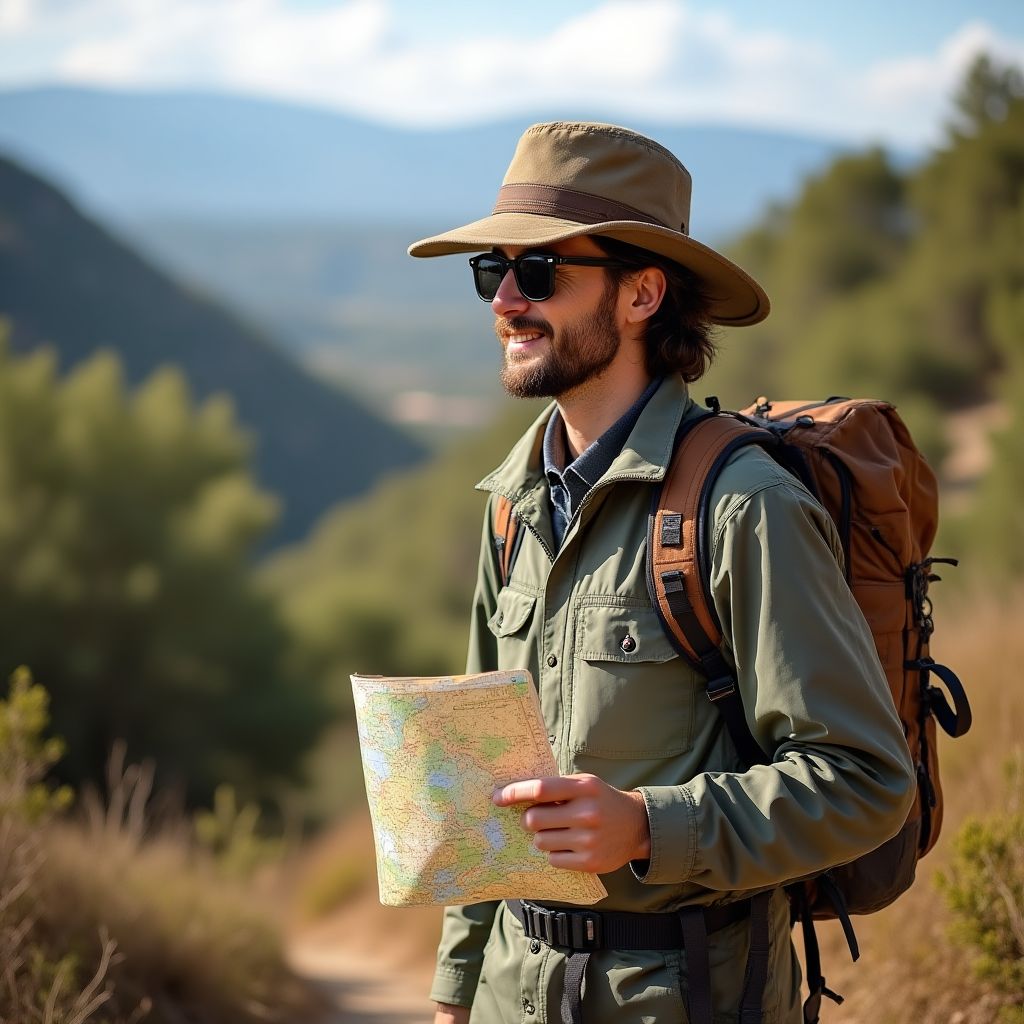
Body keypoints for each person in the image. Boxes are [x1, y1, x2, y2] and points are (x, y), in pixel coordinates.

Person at [407, 121, 916, 1024]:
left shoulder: (743, 506)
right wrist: (455, 990)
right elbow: (478, 773)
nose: (506, 302)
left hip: (683, 996)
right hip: (507, 998)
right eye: (494, 271)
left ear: (643, 293)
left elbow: (865, 780)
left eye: (542, 272)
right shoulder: (509, 507)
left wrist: (649, 825)